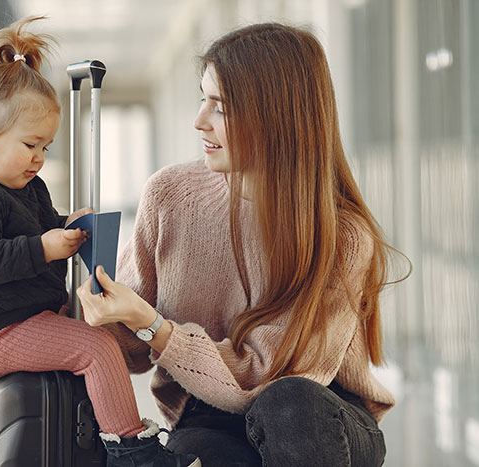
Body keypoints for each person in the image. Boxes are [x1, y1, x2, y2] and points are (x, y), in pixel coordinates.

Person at [78, 22, 408, 467]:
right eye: (202, 98)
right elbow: (134, 353)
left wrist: (155, 326)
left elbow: (269, 377)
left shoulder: (342, 236)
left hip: (318, 410)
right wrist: (97, 296)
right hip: (209, 411)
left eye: (220, 107)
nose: (199, 121)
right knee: (196, 453)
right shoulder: (170, 196)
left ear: (276, 116)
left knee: (289, 408)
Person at [0, 17, 200, 467]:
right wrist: (44, 248)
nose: (38, 157)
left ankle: (106, 436)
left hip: (20, 315)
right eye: (30, 144)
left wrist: (64, 226)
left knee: (94, 331)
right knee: (95, 349)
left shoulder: (24, 184)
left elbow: (35, 225)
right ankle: (131, 449)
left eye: (46, 148)